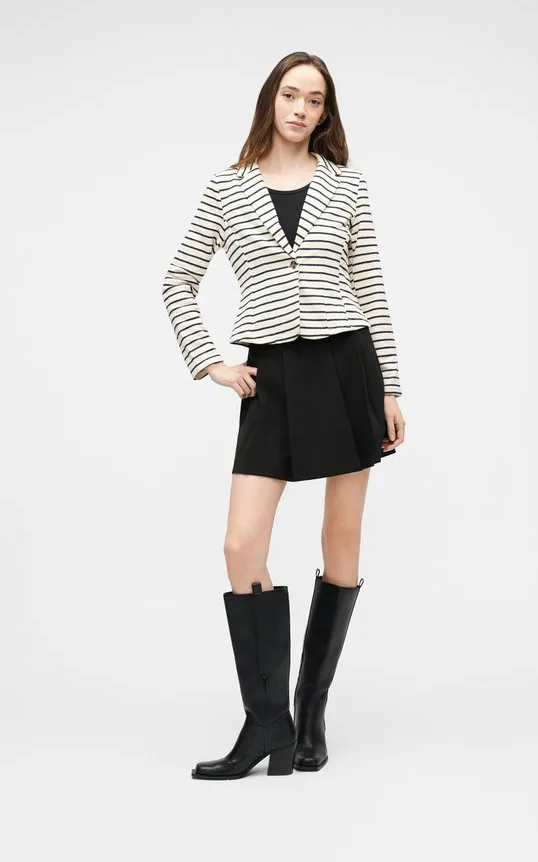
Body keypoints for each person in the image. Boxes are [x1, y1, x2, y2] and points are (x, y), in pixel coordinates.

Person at [161, 51, 406, 779]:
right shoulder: (227, 188)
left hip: (346, 368)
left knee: (341, 540)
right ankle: (267, 721)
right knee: (241, 544)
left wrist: (390, 388)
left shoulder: (347, 185)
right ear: (271, 99)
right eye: (291, 94)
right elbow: (177, 280)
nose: (301, 109)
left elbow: (371, 286)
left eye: (315, 100)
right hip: (271, 375)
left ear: (326, 113)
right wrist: (210, 361)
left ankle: (311, 708)